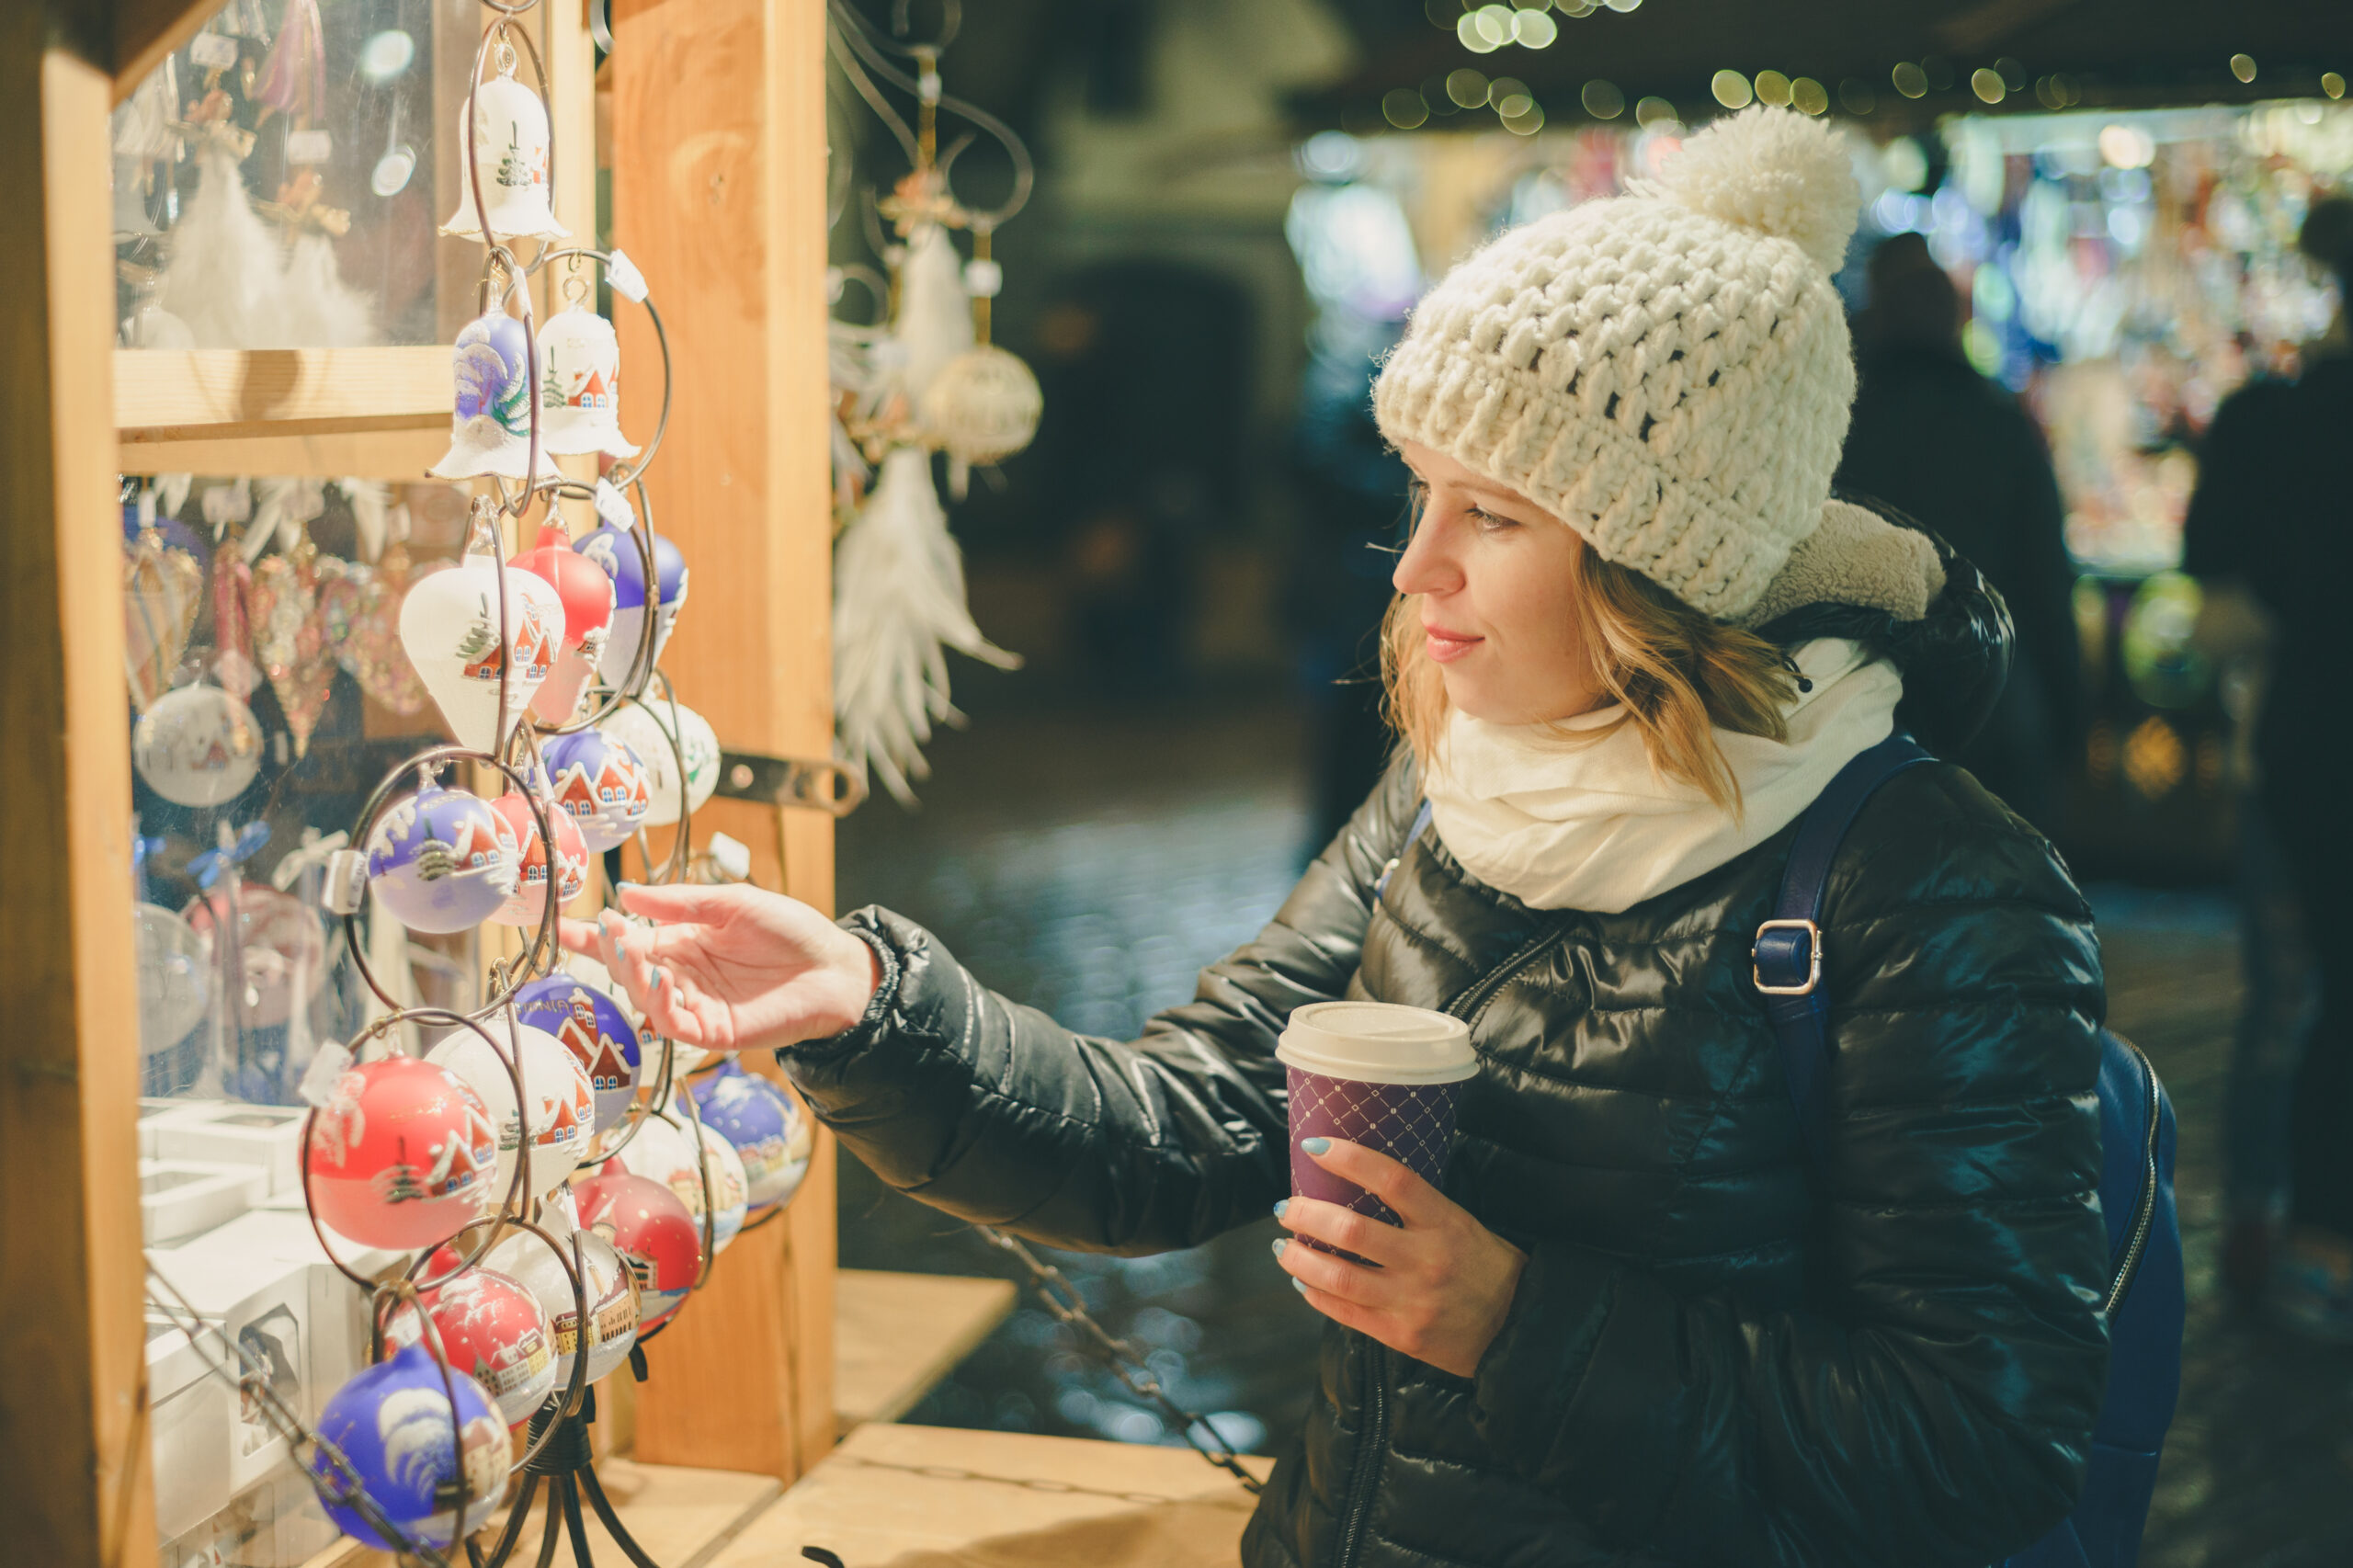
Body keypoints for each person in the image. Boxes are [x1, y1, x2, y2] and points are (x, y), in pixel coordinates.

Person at [568, 109, 2110, 1568]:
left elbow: (1984, 1443)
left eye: (1492, 516)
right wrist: (870, 1004)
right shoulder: (1461, 787)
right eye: (1420, 492)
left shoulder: (1929, 889)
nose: (1414, 568)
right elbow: (1176, 1129)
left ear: (1663, 563)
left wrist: (1517, 1325)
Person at [2180, 194, 2353, 1338]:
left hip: (2295, 742)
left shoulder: (2273, 418)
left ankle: (2275, 1227)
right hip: (2308, 741)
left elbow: (2218, 593)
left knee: (2292, 994)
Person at [1834, 231, 2082, 834]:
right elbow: (2046, 582)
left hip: (1860, 726)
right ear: (1953, 317)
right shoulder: (1998, 425)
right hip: (1994, 714)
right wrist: (2070, 724)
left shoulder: (1837, 426)